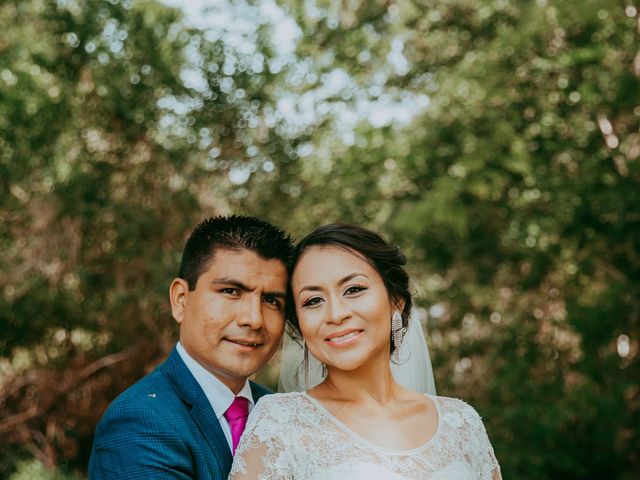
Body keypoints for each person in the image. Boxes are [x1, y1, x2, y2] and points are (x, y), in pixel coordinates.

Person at [230, 224, 501, 480]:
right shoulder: (279, 424)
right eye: (313, 301)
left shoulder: (461, 424)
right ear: (299, 324)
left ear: (396, 300)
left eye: (354, 289)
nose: (336, 314)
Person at [89, 215, 294, 479]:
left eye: (271, 300)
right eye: (231, 291)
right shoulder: (139, 420)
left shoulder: (283, 412)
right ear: (181, 300)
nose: (254, 319)